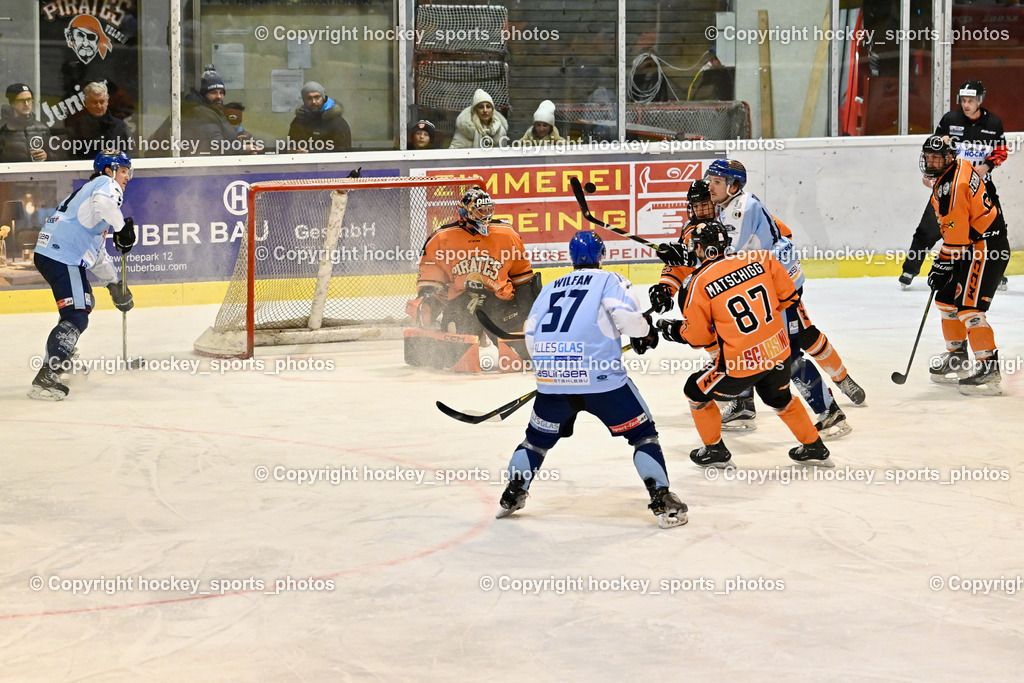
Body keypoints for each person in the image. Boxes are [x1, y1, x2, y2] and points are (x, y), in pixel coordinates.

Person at [496, 230, 687, 529]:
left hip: (552, 382)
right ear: (602, 255)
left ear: (571, 258)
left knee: (535, 442)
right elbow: (626, 318)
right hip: (603, 382)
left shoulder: (551, 287)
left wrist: (553, 369)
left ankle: (513, 493)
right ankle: (661, 498)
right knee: (643, 435)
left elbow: (531, 334)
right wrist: (645, 332)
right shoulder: (610, 279)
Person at [681, 163, 862, 436]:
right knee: (745, 343)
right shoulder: (730, 205)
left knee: (787, 355)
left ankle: (831, 412)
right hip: (763, 287)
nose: (710, 186)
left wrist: (687, 258)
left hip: (777, 290)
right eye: (711, 180)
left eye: (717, 181)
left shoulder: (740, 210)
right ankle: (744, 405)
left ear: (733, 186)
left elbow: (723, 259)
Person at [655, 220, 833, 469]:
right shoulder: (762, 259)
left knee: (694, 391)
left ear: (698, 249)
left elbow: (699, 338)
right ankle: (814, 445)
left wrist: (673, 330)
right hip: (778, 352)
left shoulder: (698, 284)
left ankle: (714, 449)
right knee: (779, 397)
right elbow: (789, 297)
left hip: (739, 364)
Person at [29, 149, 136, 401]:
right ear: (109, 170)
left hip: (55, 253)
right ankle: (48, 374)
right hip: (62, 254)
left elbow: (94, 252)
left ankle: (60, 361)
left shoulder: (91, 197)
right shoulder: (104, 184)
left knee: (80, 306)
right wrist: (121, 228)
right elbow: (104, 202)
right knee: (77, 313)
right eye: (123, 171)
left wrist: (113, 284)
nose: (127, 177)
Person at [899, 80, 1009, 291]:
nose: (966, 105)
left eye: (970, 101)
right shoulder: (950, 120)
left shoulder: (993, 123)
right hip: (949, 186)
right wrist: (930, 175)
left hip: (981, 188)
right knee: (929, 229)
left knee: (994, 230)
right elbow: (935, 151)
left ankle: (996, 272)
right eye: (963, 100)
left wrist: (986, 167)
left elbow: (1001, 151)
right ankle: (910, 269)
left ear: (980, 101)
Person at [920, 135, 1008, 395]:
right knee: (946, 299)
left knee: (970, 309)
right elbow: (956, 237)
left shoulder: (952, 188)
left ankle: (988, 367)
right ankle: (957, 356)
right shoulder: (958, 166)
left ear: (948, 158)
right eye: (929, 157)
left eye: (938, 157)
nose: (933, 162)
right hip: (971, 245)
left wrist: (942, 265)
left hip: (985, 247)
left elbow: (956, 238)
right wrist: (943, 265)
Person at [407, 187, 537, 358]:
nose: (485, 215)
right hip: (462, 303)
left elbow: (524, 281)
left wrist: (530, 314)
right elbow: (431, 283)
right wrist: (428, 304)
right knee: (452, 354)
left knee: (526, 355)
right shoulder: (441, 238)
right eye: (479, 210)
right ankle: (473, 336)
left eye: (488, 209)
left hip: (500, 304)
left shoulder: (507, 234)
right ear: (465, 212)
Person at [181, 65, 254, 155]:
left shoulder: (216, 110)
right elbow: (216, 145)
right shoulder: (201, 112)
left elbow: (230, 131)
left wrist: (244, 138)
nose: (219, 97)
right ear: (203, 95)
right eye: (213, 92)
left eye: (221, 93)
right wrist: (242, 148)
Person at [62, 81, 132, 160]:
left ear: (107, 102)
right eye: (94, 102)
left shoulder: (119, 126)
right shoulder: (78, 126)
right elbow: (73, 156)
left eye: (102, 102)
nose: (98, 106)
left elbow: (126, 155)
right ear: (86, 103)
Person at [286, 81, 352, 153]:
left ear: (323, 98)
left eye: (317, 97)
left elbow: (343, 151)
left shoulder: (336, 121)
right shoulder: (300, 120)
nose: (313, 101)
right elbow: (291, 145)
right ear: (304, 100)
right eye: (309, 98)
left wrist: (310, 152)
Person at [0, 84, 60, 162]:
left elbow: (58, 156)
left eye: (29, 100)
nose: (27, 104)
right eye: (21, 100)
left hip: (36, 173)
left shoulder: (41, 128)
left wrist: (47, 156)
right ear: (13, 103)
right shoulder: (3, 129)